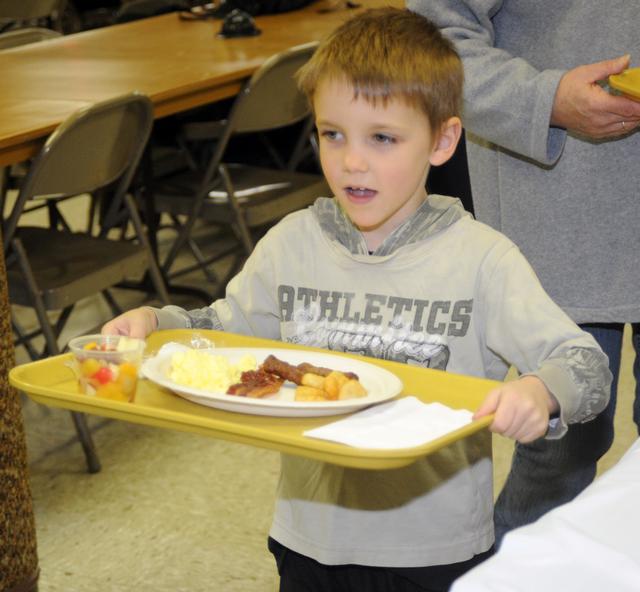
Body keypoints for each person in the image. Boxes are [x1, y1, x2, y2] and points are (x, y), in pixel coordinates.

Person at [103, 8, 611, 591]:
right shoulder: (291, 243)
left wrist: (541, 391)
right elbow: (216, 330)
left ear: (444, 140)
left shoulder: (483, 259)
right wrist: (153, 322)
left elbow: (585, 364)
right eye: (332, 133)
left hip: (435, 553)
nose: (352, 162)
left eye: (383, 139)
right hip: (307, 539)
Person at [406, 0, 640, 545]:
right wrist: (545, 100)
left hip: (562, 210)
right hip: (559, 211)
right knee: (559, 454)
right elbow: (432, 37)